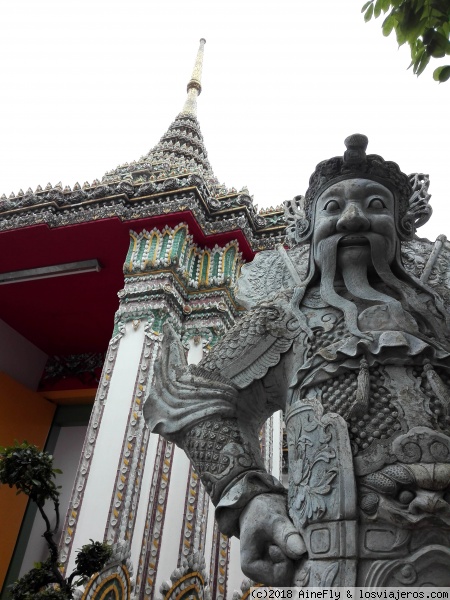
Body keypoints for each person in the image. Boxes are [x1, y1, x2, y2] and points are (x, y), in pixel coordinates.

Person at [144, 135, 450, 587]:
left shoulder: (441, 313)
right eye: (332, 208)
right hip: (338, 562)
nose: (353, 217)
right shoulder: (282, 317)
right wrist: (249, 497)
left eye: (374, 204)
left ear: (402, 226)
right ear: (307, 231)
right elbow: (193, 399)